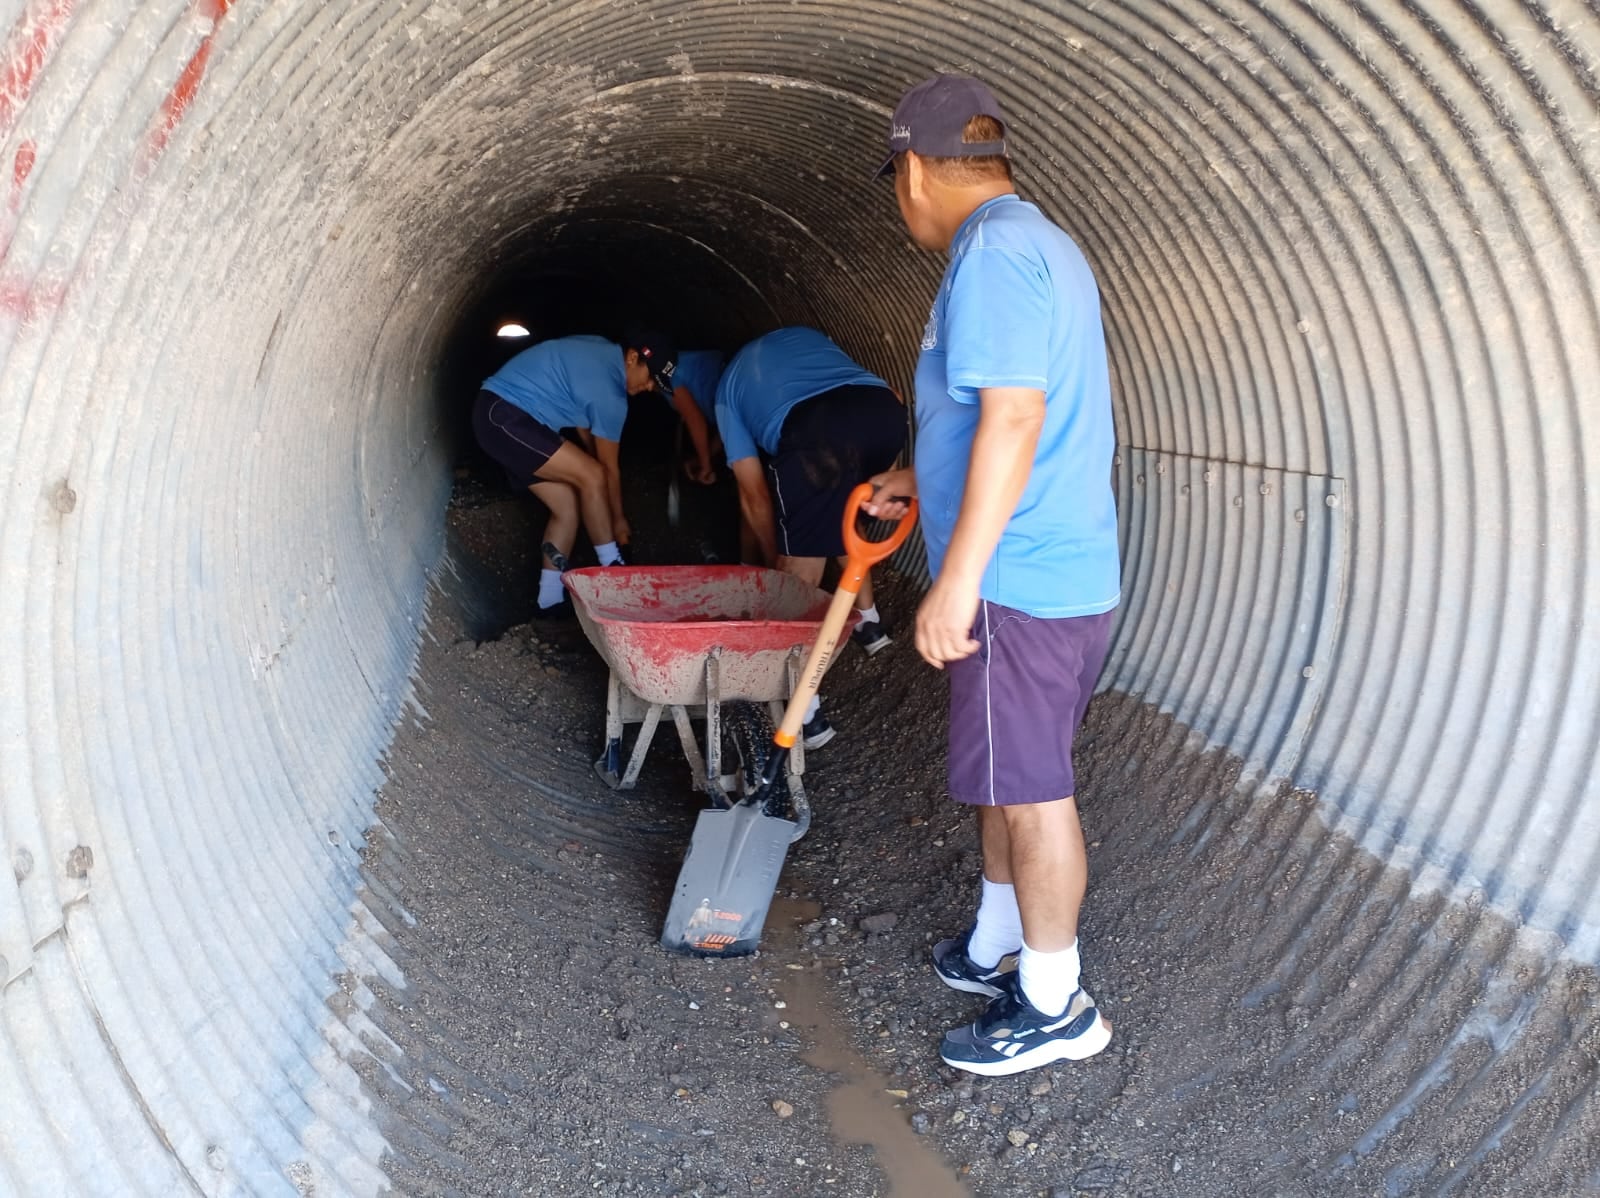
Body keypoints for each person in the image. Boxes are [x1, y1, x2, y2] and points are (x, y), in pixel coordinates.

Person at [865, 75, 1121, 1076]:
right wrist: (911, 480)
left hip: (1018, 576)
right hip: (1045, 565)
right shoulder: (1030, 244)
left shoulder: (996, 258)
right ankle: (994, 946)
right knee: (1002, 777)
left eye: (896, 179)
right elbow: (991, 417)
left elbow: (1015, 418)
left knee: (1033, 793)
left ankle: (1056, 1005)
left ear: (915, 170)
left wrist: (956, 575)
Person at [715, 326, 907, 746]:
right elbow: (891, 392)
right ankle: (870, 627)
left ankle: (806, 714)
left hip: (815, 433)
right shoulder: (805, 335)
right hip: (885, 414)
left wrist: (781, 563)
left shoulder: (728, 390)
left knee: (797, 575)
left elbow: (753, 495)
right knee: (837, 512)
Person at [472, 331, 676, 612]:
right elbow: (606, 469)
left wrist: (600, 497)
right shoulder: (611, 397)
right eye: (651, 377)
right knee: (591, 475)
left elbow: (585, 432)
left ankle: (549, 601)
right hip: (507, 414)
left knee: (566, 505)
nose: (651, 387)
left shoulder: (601, 350)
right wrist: (617, 522)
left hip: (499, 415)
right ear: (632, 358)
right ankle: (613, 569)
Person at [664, 348, 725, 484]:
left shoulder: (667, 378)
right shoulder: (669, 372)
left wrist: (705, 465)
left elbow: (695, 421)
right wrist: (704, 460)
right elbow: (727, 430)